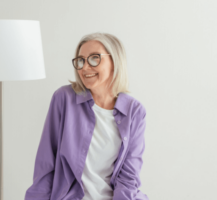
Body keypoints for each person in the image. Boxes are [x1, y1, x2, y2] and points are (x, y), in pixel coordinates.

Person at [25, 32, 149, 200]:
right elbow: (45, 165)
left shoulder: (134, 111)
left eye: (94, 58)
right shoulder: (64, 99)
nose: (84, 67)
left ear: (115, 61)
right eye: (81, 60)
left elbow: (129, 177)